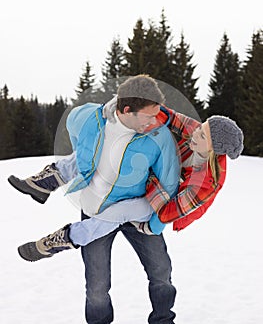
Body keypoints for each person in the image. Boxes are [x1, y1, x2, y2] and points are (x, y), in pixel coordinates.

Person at [9, 74, 180, 324]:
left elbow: (169, 184)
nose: (155, 120)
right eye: (148, 115)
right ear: (127, 109)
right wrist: (87, 160)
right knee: (97, 287)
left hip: (137, 214)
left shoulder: (159, 136)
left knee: (161, 273)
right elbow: (74, 128)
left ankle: (163, 320)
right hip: (95, 208)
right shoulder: (89, 118)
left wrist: (155, 223)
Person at [14, 108, 244, 260]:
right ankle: (48, 180)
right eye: (201, 127)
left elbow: (167, 213)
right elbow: (169, 116)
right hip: (162, 168)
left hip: (165, 205)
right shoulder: (199, 132)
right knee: (112, 142)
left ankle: (62, 240)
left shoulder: (207, 182)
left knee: (120, 212)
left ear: (214, 150)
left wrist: (150, 177)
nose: (196, 132)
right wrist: (138, 110)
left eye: (202, 136)